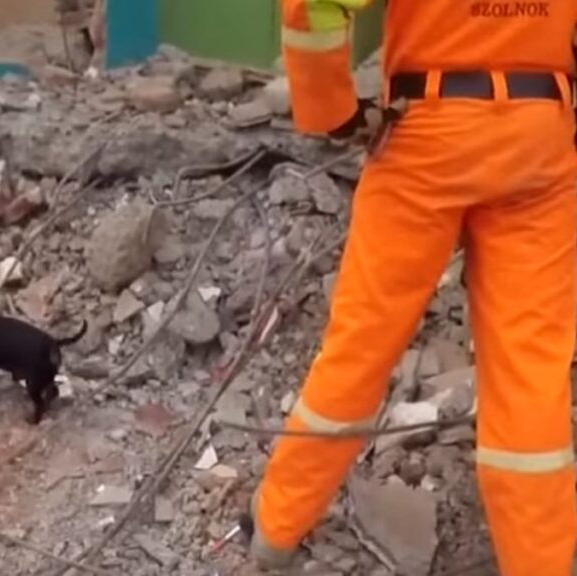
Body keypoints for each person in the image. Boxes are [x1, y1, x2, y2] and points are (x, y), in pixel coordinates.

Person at [244, 2, 577, 574]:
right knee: (531, 372)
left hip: (430, 131)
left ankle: (277, 526)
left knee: (362, 347)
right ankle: (541, 562)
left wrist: (334, 112)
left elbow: (315, 6)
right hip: (539, 138)